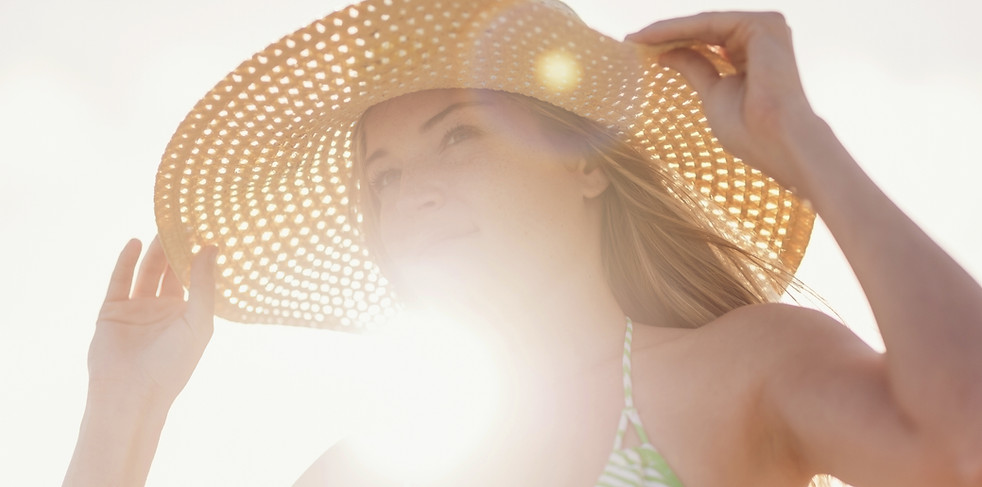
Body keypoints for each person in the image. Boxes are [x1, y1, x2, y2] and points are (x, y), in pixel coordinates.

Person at [63, 1, 982, 486]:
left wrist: (802, 145)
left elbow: (961, 443)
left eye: (459, 136)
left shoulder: (743, 369)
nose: (411, 191)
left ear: (582, 162)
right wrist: (124, 408)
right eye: (381, 177)